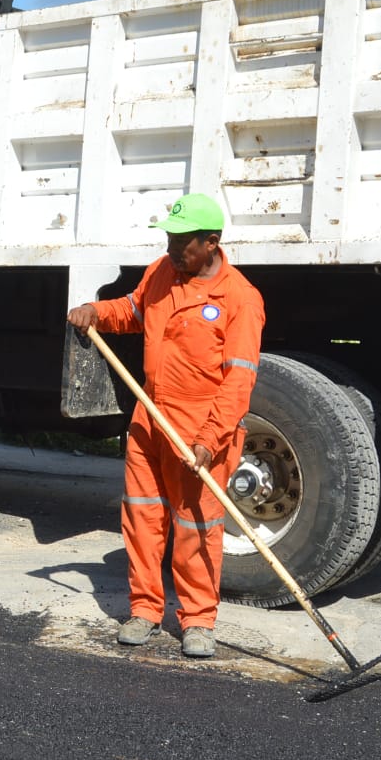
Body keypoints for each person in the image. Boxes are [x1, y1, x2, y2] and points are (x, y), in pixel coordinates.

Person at [67, 194, 264, 658]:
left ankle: (197, 620)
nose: (173, 250)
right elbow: (134, 312)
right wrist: (98, 312)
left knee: (197, 526)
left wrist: (208, 441)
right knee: (141, 517)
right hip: (149, 418)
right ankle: (145, 609)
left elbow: (238, 382)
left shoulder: (239, 299)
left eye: (182, 243)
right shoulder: (161, 272)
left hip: (200, 430)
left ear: (211, 243)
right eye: (170, 240)